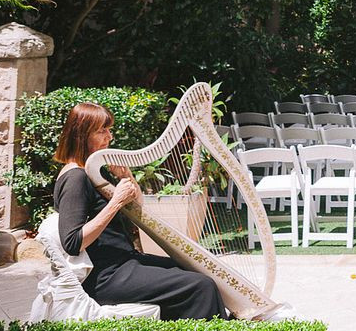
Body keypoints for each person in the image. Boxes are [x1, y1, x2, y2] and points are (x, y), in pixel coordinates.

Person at [52, 102, 226, 320]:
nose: (109, 137)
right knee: (200, 285)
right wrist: (115, 203)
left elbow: (138, 208)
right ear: (81, 135)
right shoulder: (75, 177)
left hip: (125, 262)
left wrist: (126, 177)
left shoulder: (93, 171)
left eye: (109, 129)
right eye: (101, 131)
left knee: (193, 270)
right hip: (106, 276)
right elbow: (73, 243)